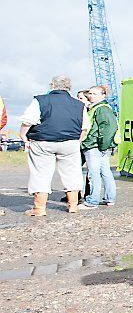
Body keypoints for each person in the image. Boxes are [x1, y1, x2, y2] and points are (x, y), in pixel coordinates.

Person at [19, 76, 90, 216]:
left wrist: (23, 136)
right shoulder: (79, 104)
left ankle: (39, 209)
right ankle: (73, 205)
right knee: (72, 172)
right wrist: (77, 141)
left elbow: (28, 120)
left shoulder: (40, 100)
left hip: (43, 142)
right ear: (69, 87)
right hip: (70, 142)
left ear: (52, 85)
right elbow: (85, 127)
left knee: (41, 173)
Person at [79, 85, 118, 210]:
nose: (91, 96)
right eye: (90, 93)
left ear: (103, 95)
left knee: (94, 173)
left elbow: (109, 128)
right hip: (98, 145)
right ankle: (109, 198)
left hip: (95, 145)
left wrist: (103, 145)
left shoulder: (101, 109)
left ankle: (92, 201)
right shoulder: (98, 108)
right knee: (105, 172)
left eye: (95, 94)